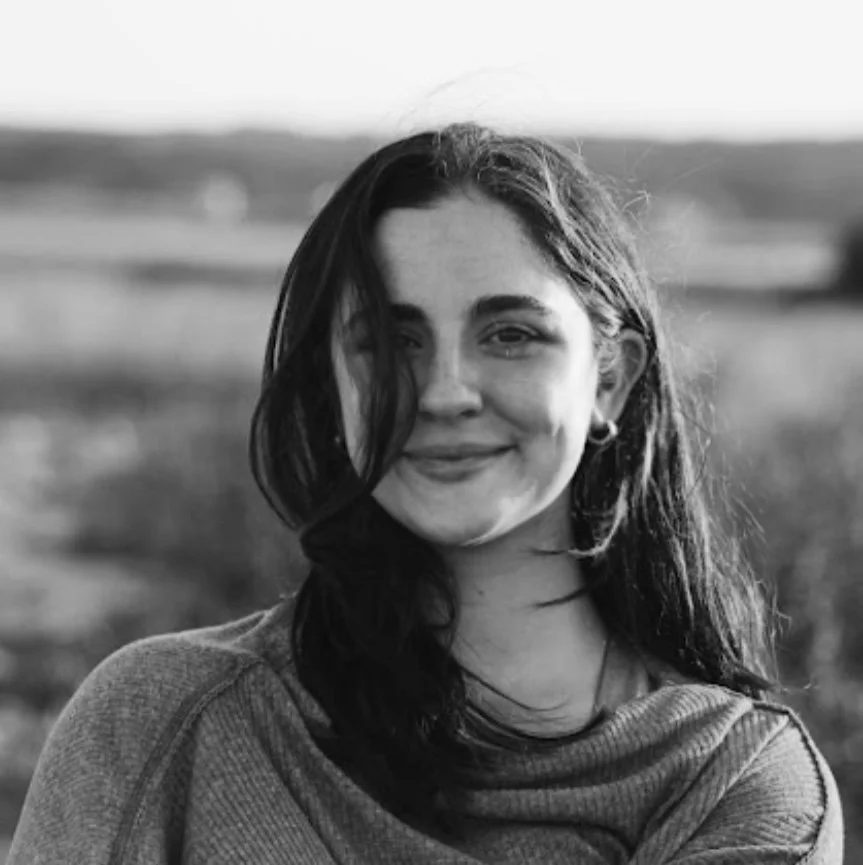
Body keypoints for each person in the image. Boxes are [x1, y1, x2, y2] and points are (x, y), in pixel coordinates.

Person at [8, 123, 843, 863]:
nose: (443, 392)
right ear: (332, 382)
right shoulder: (163, 722)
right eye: (389, 339)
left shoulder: (730, 783)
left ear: (610, 382)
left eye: (509, 334)